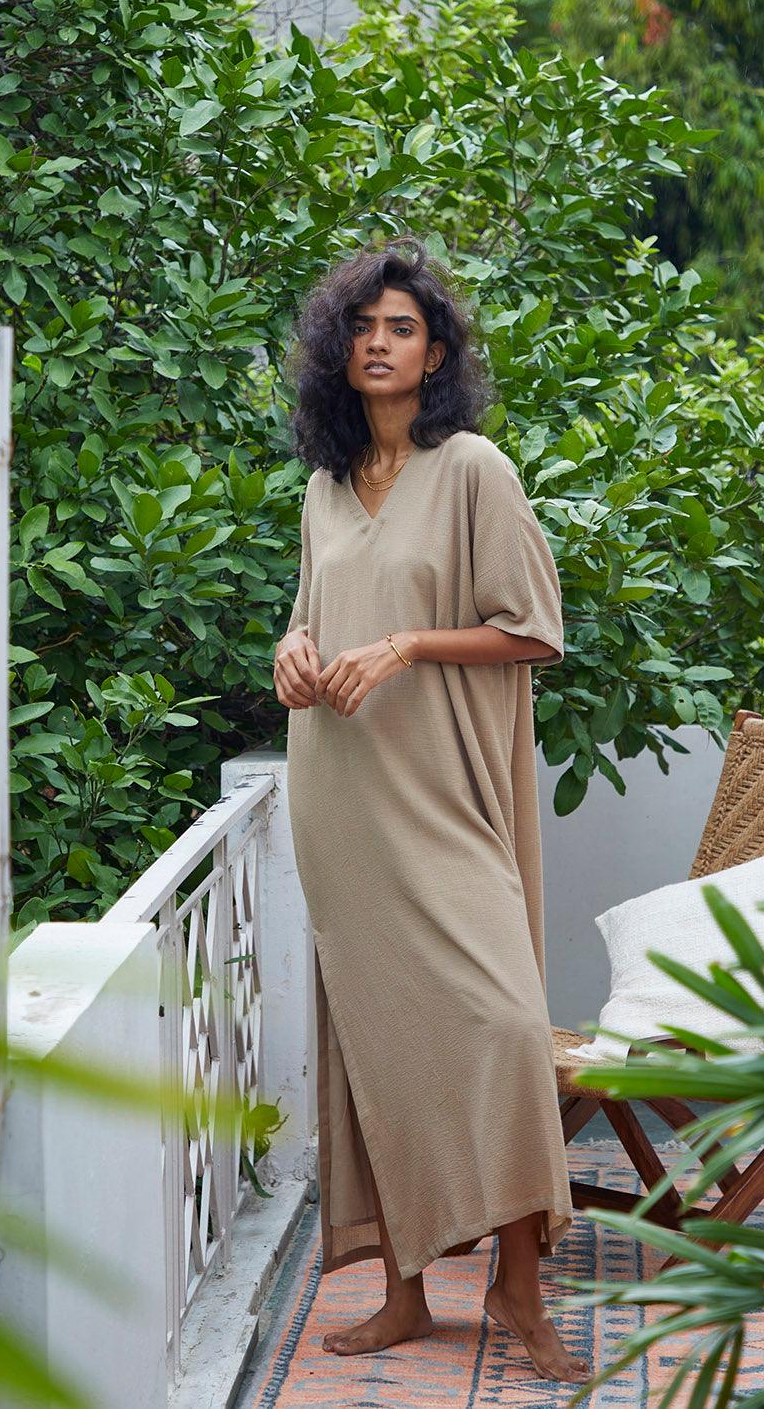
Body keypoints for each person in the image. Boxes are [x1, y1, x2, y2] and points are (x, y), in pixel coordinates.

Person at [273, 237, 588, 1383]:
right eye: (361, 326)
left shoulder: (474, 472)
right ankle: (403, 1290)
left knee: (502, 1024)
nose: (378, 343)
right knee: (374, 1037)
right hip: (341, 796)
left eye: (400, 327)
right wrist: (291, 655)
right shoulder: (323, 486)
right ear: (337, 348)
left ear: (436, 352)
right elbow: (309, 618)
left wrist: (406, 644)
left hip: (444, 797)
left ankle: (517, 1283)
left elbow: (534, 628)